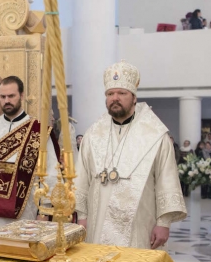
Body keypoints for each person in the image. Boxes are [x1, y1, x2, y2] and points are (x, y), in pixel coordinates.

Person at [75, 61, 186, 248]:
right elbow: (81, 178)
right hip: (97, 223)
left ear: (134, 98)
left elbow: (166, 179)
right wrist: (82, 216)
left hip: (139, 224)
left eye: (122, 93)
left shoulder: (155, 134)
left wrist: (163, 223)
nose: (115, 98)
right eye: (110, 94)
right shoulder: (93, 134)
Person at [0, 76, 58, 229]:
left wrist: (43, 212)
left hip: (27, 212)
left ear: (21, 96)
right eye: (3, 97)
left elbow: (51, 174)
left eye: (11, 96)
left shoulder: (38, 131)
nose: (7, 101)